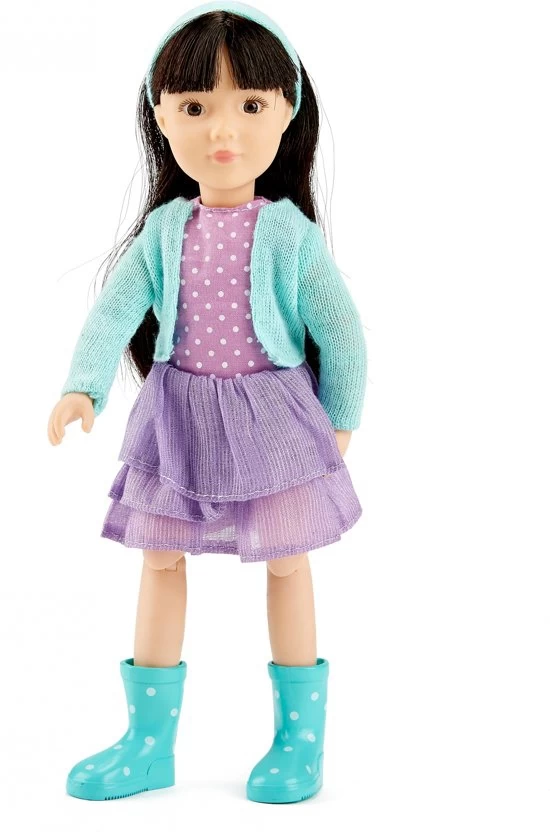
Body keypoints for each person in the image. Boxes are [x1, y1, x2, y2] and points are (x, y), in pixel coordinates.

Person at [47, 0, 367, 804]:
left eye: (251, 105)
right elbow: (115, 312)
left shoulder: (290, 236)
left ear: (287, 113)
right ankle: (148, 743)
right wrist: (83, 385)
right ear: (161, 116)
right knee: (159, 560)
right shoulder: (163, 232)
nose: (223, 130)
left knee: (287, 562)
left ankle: (299, 745)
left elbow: (343, 333)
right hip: (178, 420)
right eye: (194, 108)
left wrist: (339, 422)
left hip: (275, 423)